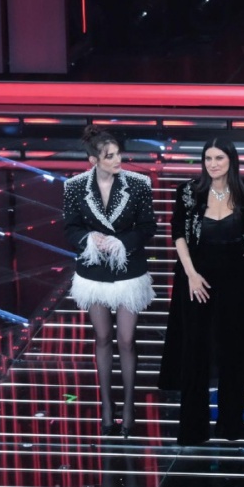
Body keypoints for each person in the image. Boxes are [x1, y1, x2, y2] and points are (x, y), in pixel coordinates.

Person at [157, 138, 244, 445]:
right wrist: (191, 273)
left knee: (234, 352)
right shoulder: (188, 192)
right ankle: (193, 428)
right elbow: (178, 233)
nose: (213, 164)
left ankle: (231, 424)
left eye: (219, 158)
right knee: (195, 352)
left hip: (238, 283)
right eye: (208, 158)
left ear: (231, 159)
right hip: (196, 280)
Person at [63, 127, 158, 437]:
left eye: (118, 154)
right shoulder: (75, 187)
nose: (118, 160)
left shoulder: (139, 184)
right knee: (103, 337)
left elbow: (147, 226)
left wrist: (121, 242)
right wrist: (89, 239)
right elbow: (70, 228)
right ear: (93, 160)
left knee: (127, 339)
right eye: (110, 156)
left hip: (129, 271)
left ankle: (129, 404)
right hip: (94, 273)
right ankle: (107, 404)